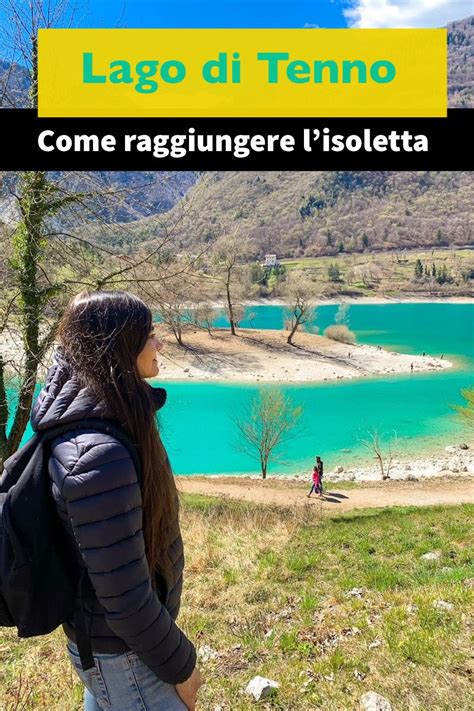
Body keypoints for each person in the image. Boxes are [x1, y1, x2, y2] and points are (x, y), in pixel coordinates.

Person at [30, 291, 201, 711]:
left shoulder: (114, 423)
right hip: (125, 655)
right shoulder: (98, 454)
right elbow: (124, 599)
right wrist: (183, 666)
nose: (159, 345)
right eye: (151, 335)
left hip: (119, 649)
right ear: (120, 345)